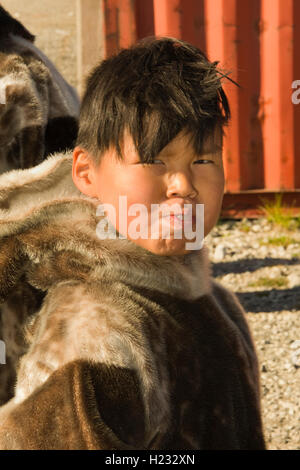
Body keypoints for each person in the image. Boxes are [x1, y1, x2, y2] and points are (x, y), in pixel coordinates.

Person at [0, 37, 266, 450]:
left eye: (203, 160)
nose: (183, 186)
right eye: (155, 159)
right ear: (87, 173)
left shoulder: (211, 298)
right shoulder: (98, 327)